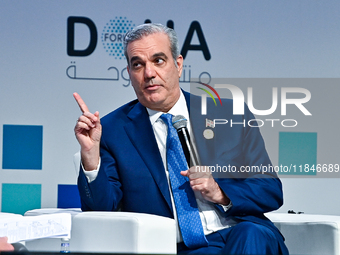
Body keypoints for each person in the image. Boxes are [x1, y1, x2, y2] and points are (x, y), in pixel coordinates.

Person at [74, 23, 289, 254]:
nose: (149, 73)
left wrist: (220, 192)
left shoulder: (230, 115)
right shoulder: (112, 130)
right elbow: (101, 211)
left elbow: (270, 190)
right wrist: (90, 156)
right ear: (129, 73)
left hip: (243, 232)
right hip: (179, 247)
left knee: (251, 235)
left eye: (158, 61)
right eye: (138, 64)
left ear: (178, 65)